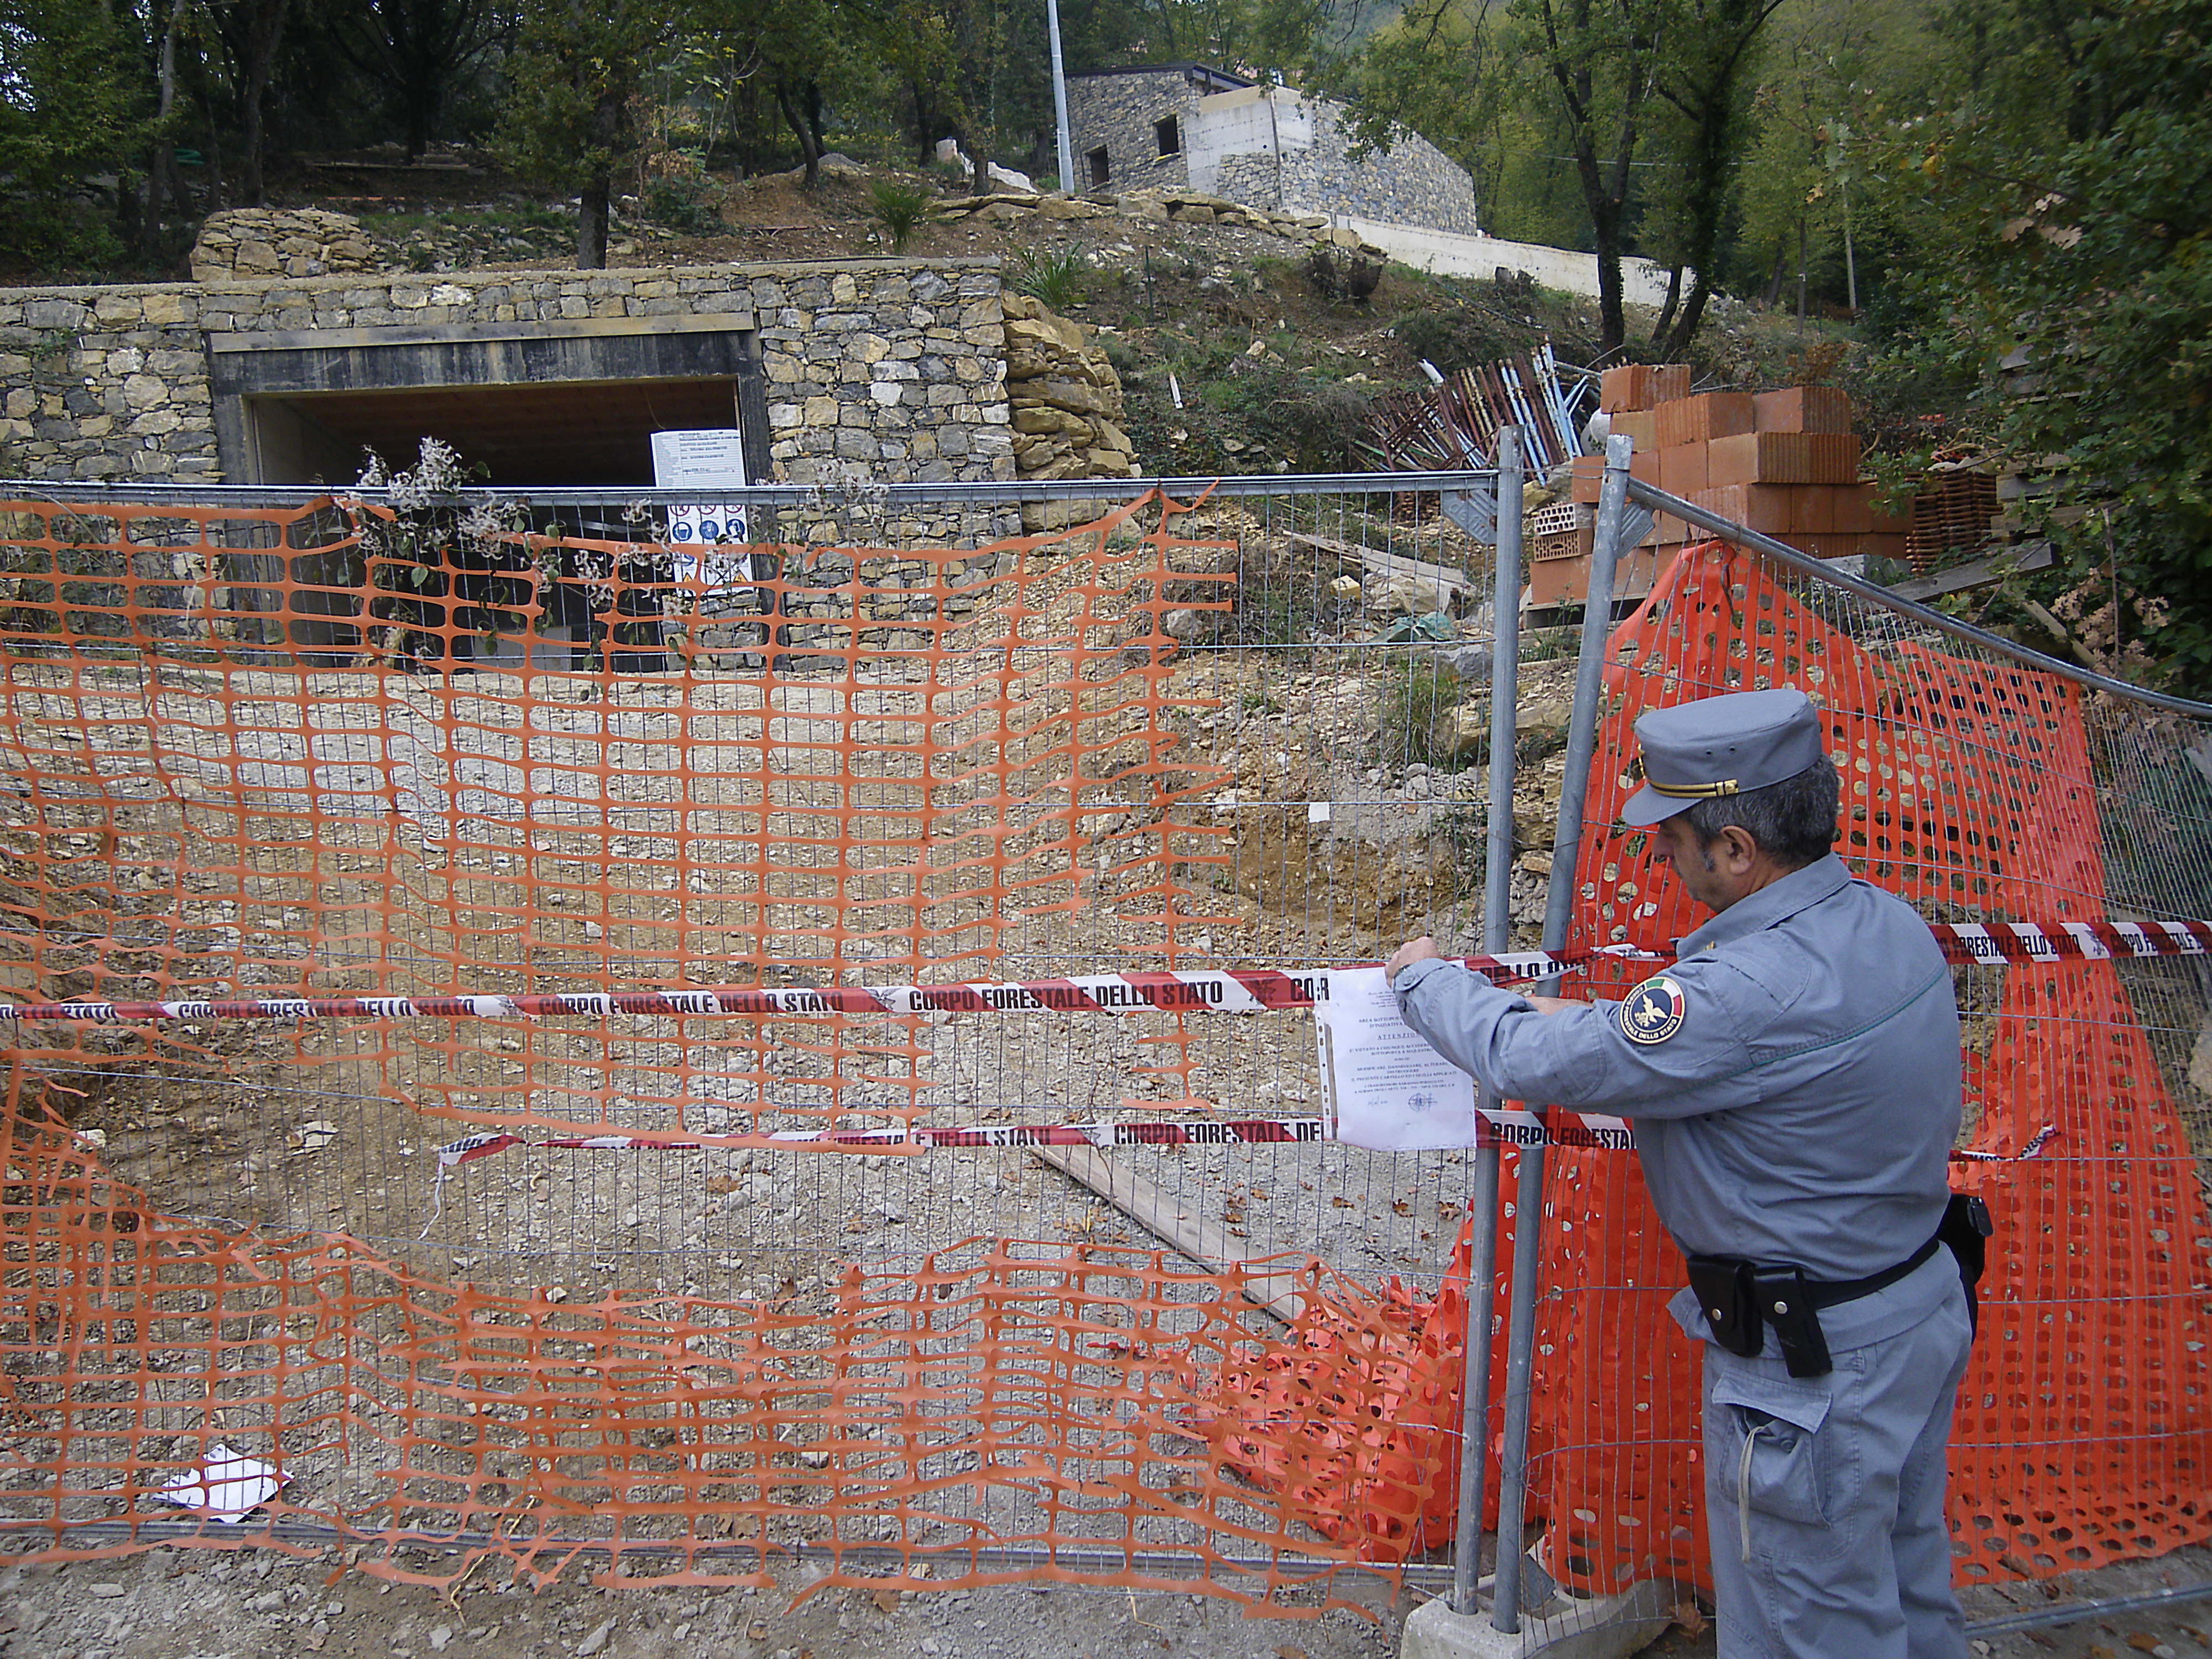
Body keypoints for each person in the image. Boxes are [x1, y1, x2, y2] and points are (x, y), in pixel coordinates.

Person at [1385, 686, 1984, 1659]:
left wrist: (1424, 982)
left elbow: (1534, 1065)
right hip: (1913, 1312)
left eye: (1674, 838)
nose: (1662, 855)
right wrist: (1583, 1026)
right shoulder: (1884, 922)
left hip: (1813, 1372)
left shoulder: (1741, 992)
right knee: (1906, 1591)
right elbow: (1676, 1043)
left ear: (1738, 849)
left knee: (1810, 1629)